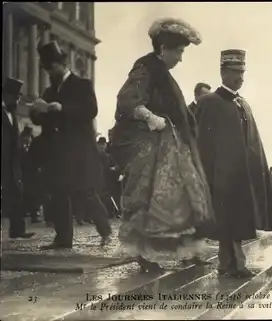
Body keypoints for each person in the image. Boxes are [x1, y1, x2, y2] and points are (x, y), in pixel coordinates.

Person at [111, 17, 215, 272]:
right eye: (179, 51)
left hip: (168, 149)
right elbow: (128, 100)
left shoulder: (163, 73)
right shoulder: (145, 68)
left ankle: (186, 250)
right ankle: (143, 255)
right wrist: (150, 117)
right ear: (164, 48)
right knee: (150, 199)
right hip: (150, 149)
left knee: (179, 198)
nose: (181, 57)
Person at [196, 49, 272, 278]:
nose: (240, 77)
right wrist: (207, 175)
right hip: (222, 175)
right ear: (222, 72)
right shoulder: (211, 102)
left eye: (242, 72)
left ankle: (233, 264)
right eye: (235, 72)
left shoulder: (243, 104)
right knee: (226, 222)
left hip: (242, 176)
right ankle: (229, 265)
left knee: (238, 222)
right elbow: (203, 141)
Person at [30, 41, 111, 250]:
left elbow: (90, 110)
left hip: (79, 150)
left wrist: (62, 108)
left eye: (52, 68)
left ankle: (106, 232)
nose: (49, 72)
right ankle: (63, 238)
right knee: (59, 192)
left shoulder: (82, 84)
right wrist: (37, 111)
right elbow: (41, 118)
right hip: (58, 153)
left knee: (86, 191)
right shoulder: (49, 90)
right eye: (47, 69)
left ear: (62, 65)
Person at [2, 78, 36, 240]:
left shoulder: (13, 114)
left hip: (12, 163)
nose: (17, 101)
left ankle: (17, 230)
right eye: (15, 97)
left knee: (17, 195)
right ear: (6, 95)